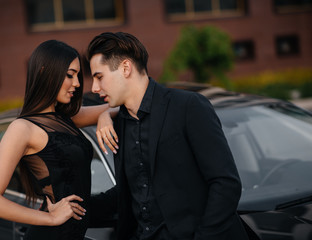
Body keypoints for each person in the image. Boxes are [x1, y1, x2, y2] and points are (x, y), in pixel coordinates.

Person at [88, 32, 249, 240]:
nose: (94, 87)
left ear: (125, 68)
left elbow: (225, 183)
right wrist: (71, 209)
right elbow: (130, 193)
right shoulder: (119, 124)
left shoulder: (188, 107)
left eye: (99, 77)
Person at [0, 39, 117, 240]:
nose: (77, 84)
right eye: (70, 75)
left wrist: (104, 116)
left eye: (78, 75)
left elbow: (119, 106)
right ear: (45, 71)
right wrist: (51, 219)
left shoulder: (66, 117)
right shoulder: (22, 128)